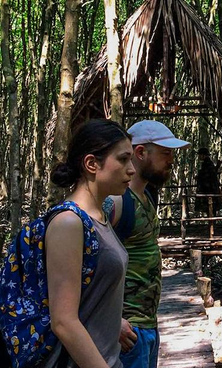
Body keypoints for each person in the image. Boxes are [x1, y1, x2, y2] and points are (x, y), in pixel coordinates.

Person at [44, 119, 134, 368]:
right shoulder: (68, 223)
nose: (132, 169)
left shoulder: (101, 217)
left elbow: (89, 295)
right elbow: (63, 321)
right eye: (123, 159)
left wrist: (114, 322)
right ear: (92, 164)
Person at [104, 120, 190, 368]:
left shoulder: (148, 196)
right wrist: (112, 321)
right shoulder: (116, 203)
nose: (171, 160)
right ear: (140, 153)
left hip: (147, 326)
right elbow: (82, 265)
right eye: (165, 153)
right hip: (126, 332)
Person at [195, 147, 221, 215]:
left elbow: (208, 176)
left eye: (200, 155)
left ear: (204, 155)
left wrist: (199, 177)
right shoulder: (207, 163)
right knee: (210, 207)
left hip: (209, 189)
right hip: (209, 189)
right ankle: (211, 223)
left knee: (210, 207)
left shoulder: (207, 163)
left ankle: (211, 223)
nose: (199, 157)